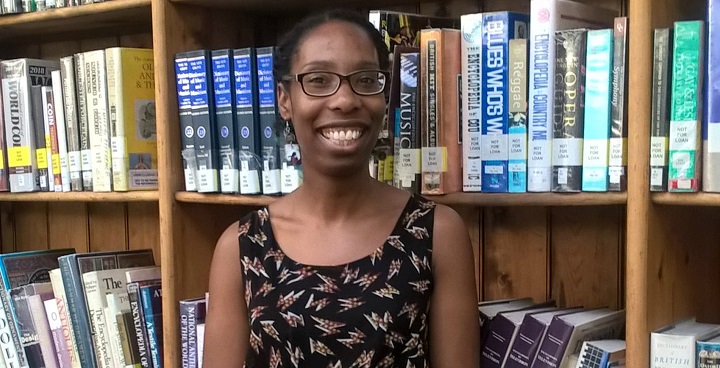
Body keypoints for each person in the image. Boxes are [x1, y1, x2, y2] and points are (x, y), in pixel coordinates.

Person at [203, 8, 479, 368]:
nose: (345, 100)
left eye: (365, 79)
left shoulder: (436, 233)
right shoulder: (241, 247)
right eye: (318, 80)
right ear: (285, 99)